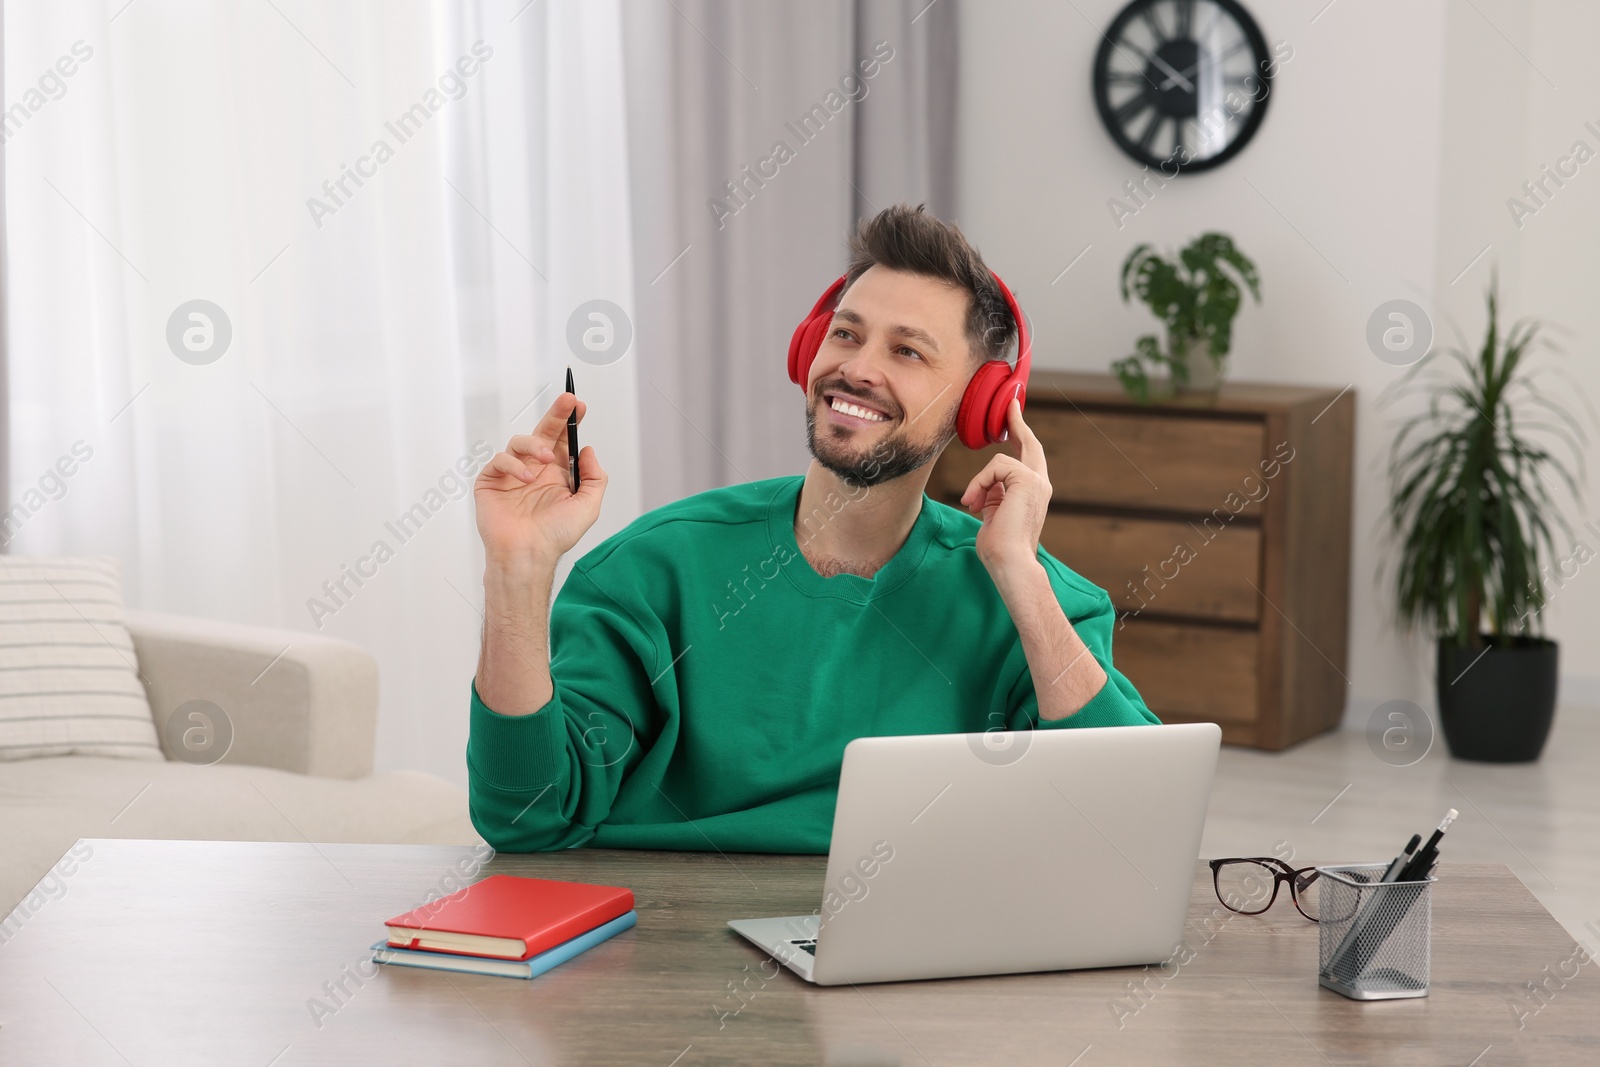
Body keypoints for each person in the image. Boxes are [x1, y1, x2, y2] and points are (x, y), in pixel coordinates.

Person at [468, 203, 1159, 853]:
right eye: (846, 333)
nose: (857, 370)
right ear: (807, 353)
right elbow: (526, 817)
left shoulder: (1034, 601)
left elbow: (1128, 825)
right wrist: (516, 573)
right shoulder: (652, 573)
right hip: (672, 952)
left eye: (908, 352)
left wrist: (1021, 578)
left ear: (980, 407)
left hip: (910, 957)